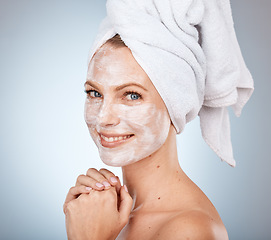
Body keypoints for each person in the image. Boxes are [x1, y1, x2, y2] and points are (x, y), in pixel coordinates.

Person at [63, 34, 229, 240]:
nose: (103, 118)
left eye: (132, 95)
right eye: (95, 93)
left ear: (175, 104)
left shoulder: (189, 230)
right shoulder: (106, 214)